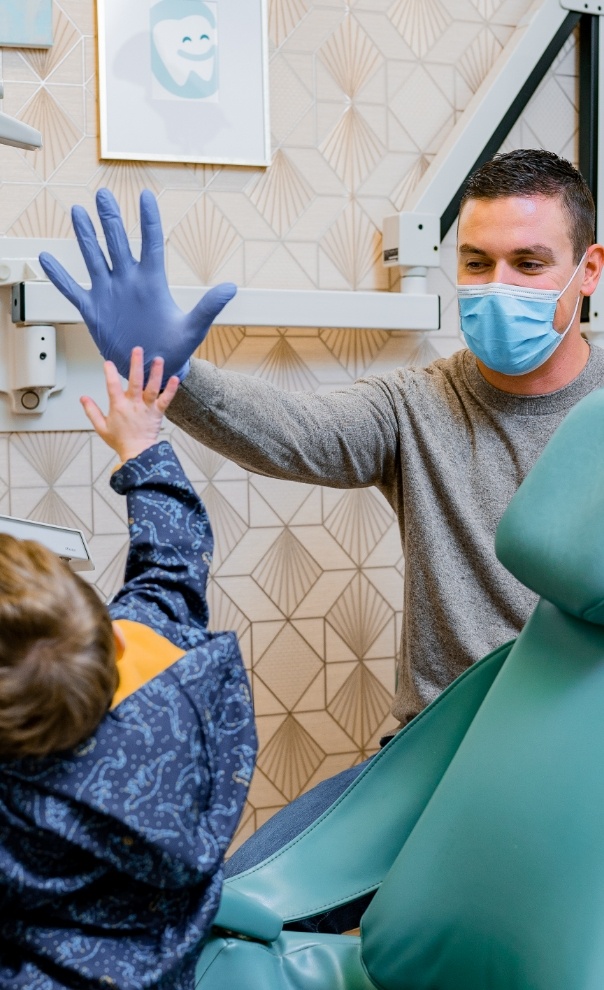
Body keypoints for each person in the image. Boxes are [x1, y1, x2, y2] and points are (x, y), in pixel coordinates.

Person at [38, 148, 604, 929]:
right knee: (238, 920)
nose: (498, 286)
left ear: (590, 269)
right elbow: (295, 431)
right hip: (429, 764)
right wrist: (177, 370)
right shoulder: (419, 405)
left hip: (583, 770)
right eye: (478, 262)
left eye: (529, 263)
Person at [0, 347, 256, 989]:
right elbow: (173, 560)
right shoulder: (174, 691)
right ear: (114, 645)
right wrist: (142, 444)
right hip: (172, 968)